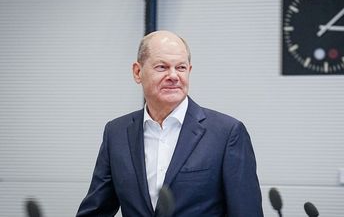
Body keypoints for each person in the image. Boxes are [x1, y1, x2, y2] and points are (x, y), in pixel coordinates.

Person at [76, 30, 263, 217]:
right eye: (162, 67)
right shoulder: (116, 133)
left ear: (189, 71)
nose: (173, 76)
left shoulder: (226, 133)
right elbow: (96, 210)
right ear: (137, 72)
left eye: (181, 68)